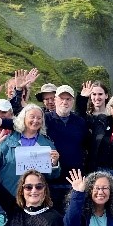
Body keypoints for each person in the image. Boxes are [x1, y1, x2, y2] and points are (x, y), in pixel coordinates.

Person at [0, 103, 60, 196]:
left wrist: (54, 164)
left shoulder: (47, 144)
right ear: (23, 118)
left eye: (39, 118)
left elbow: (53, 176)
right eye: (32, 117)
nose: (35, 120)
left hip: (34, 197)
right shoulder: (7, 141)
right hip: (8, 195)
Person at [44, 85, 88, 213]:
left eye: (68, 99)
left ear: (73, 101)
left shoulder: (80, 122)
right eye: (61, 98)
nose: (65, 102)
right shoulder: (45, 120)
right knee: (53, 217)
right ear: (55, 100)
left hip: (74, 180)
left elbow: (86, 144)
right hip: (51, 180)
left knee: (73, 215)